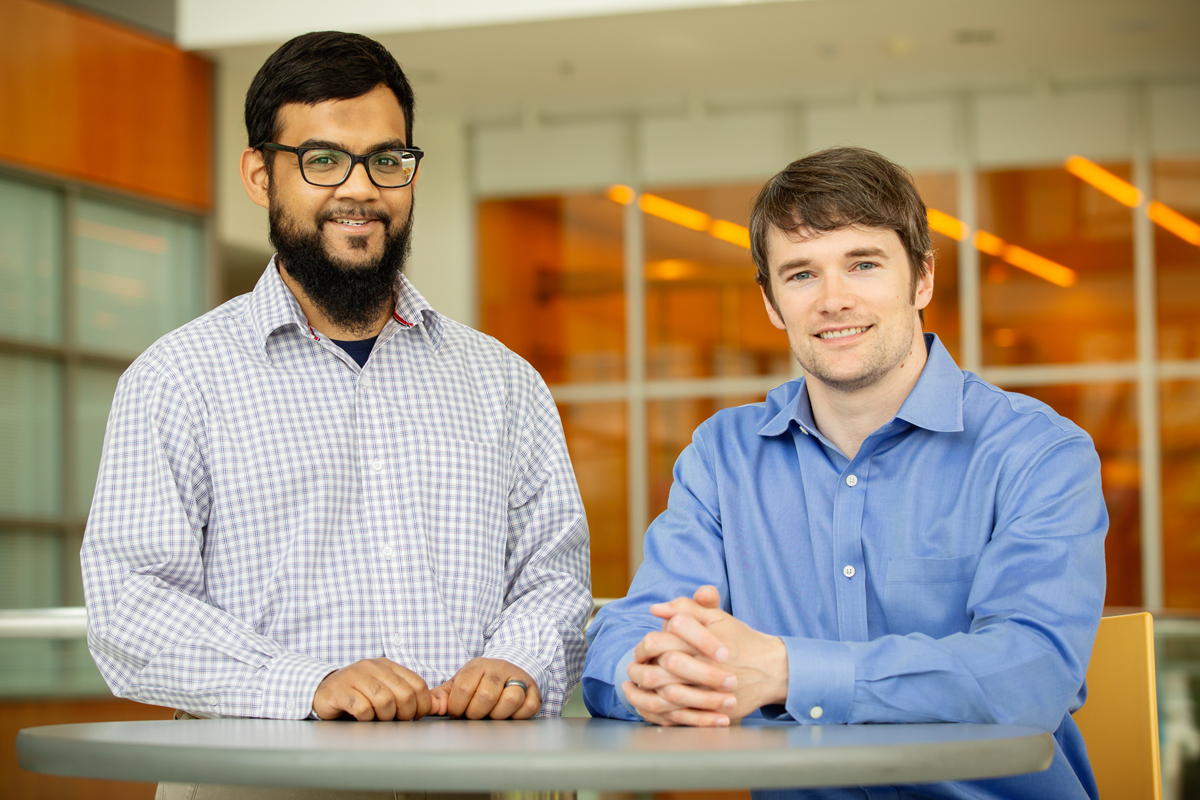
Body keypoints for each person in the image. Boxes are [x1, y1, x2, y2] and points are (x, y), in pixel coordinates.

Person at [82, 31, 591, 731]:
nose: (360, 188)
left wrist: (517, 661)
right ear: (260, 176)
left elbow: (554, 576)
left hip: (469, 769)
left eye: (386, 160)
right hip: (255, 774)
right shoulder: (177, 380)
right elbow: (130, 605)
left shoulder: (504, 384)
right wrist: (308, 684)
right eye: (323, 160)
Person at [582, 147, 1106, 799]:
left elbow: (1032, 673)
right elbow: (623, 640)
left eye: (863, 264)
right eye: (802, 274)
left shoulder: (1037, 452)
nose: (834, 300)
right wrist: (650, 678)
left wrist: (786, 671)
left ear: (922, 279)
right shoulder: (722, 456)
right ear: (772, 303)